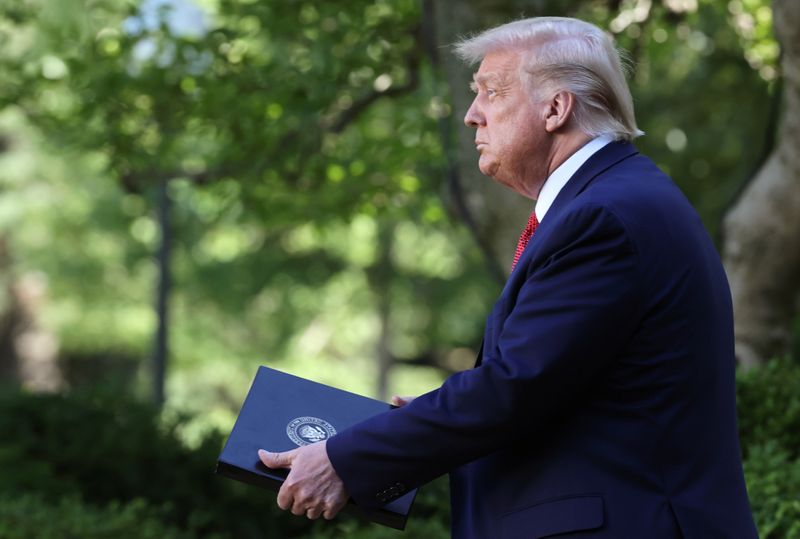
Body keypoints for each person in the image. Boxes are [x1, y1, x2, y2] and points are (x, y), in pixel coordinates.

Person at [258, 16, 758, 538]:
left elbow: (513, 388)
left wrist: (344, 460)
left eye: (491, 92)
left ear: (556, 108)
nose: (472, 115)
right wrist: (428, 416)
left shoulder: (603, 217)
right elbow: (556, 381)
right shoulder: (611, 200)